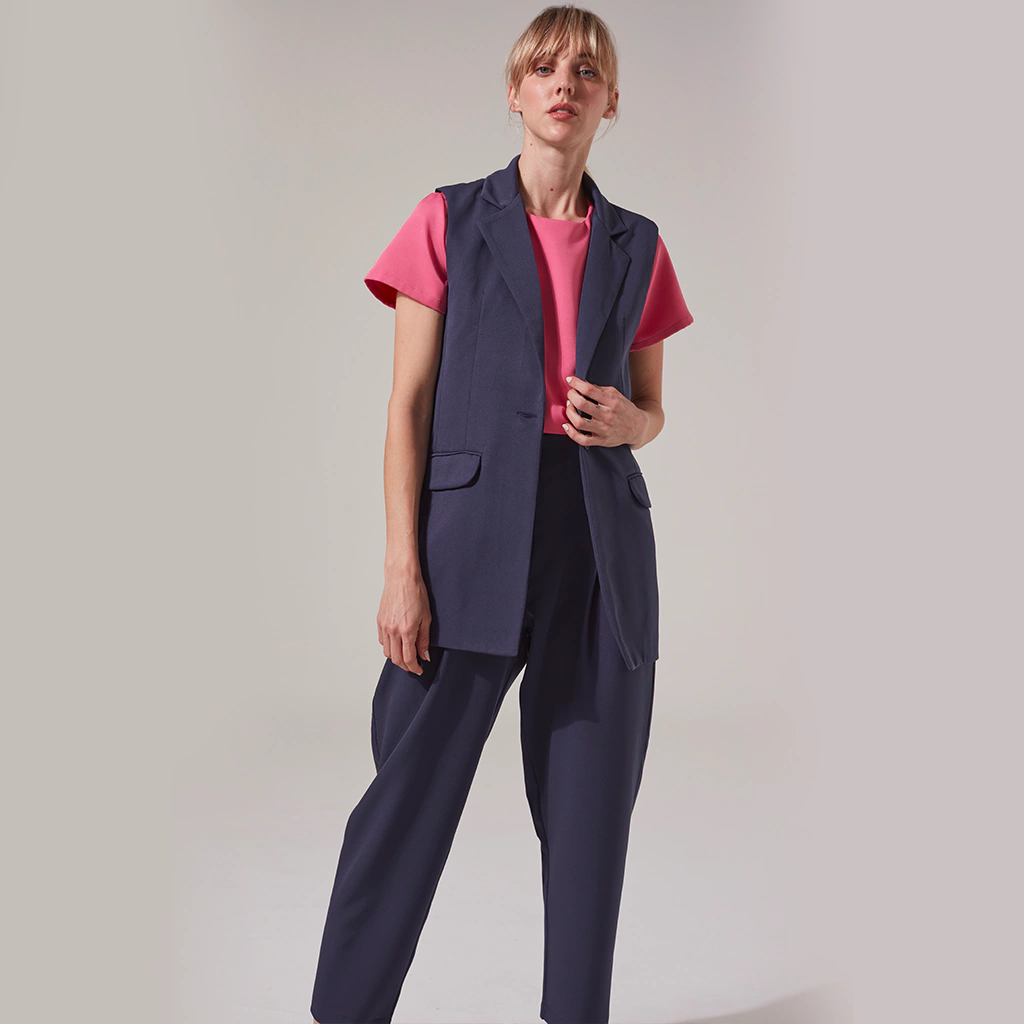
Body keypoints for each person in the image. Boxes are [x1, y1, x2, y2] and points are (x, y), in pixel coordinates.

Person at [311, 6, 693, 1023]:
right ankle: (343, 1010)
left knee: (590, 818)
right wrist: (402, 568)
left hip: (600, 550)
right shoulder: (448, 219)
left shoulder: (640, 245)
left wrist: (631, 422)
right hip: (467, 545)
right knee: (407, 798)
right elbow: (407, 406)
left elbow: (652, 406)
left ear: (612, 102)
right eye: (545, 67)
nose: (565, 83)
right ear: (516, 92)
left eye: (587, 71)